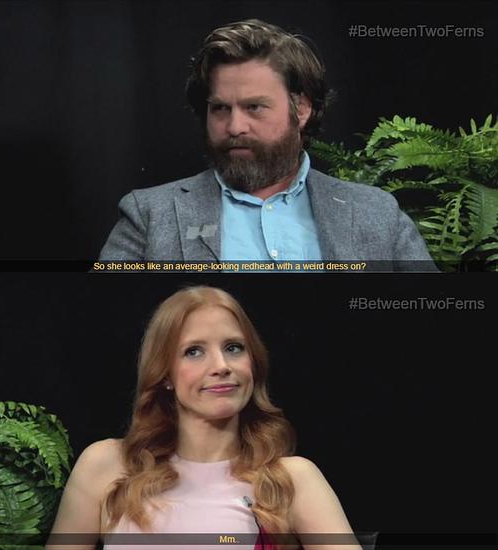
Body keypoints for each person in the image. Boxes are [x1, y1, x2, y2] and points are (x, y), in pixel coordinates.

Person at [98, 19, 436, 271]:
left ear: (301, 109)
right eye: (220, 108)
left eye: (254, 107)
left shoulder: (376, 213)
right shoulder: (149, 216)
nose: (235, 127)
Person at [47, 286, 363, 550]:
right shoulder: (106, 464)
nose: (221, 366)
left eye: (234, 348)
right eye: (194, 351)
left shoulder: (291, 479)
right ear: (165, 374)